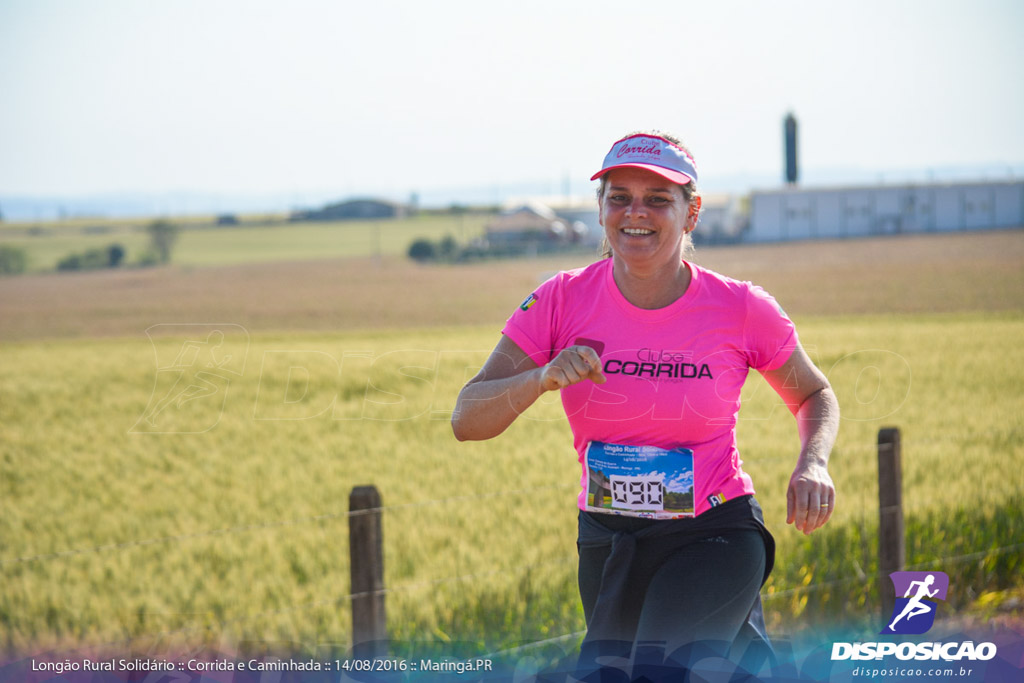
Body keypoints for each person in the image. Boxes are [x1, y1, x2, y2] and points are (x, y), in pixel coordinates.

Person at [451, 131, 839, 676]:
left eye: (659, 198)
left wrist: (813, 461)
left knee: (662, 670)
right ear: (602, 210)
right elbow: (467, 419)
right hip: (609, 540)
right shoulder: (560, 300)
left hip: (713, 532)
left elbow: (814, 393)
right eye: (619, 197)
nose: (637, 213)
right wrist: (539, 378)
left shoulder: (742, 308)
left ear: (691, 212)